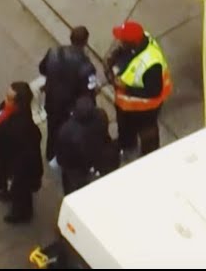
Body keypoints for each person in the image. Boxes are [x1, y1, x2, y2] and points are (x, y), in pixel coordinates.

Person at [0, 81, 43, 224]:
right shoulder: (8, 109)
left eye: (9, 98)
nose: (4, 100)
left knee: (21, 192)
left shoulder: (23, 127)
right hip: (6, 160)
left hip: (19, 168)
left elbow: (28, 153)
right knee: (9, 182)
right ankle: (8, 193)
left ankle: (22, 214)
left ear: (18, 103)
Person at [106, 20, 171, 160]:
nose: (119, 42)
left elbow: (153, 92)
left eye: (123, 40)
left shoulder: (151, 64)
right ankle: (127, 144)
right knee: (125, 127)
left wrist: (126, 87)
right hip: (126, 107)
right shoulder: (140, 39)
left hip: (145, 109)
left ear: (133, 43)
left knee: (148, 133)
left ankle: (149, 156)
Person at [38, 26, 99, 166]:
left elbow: (42, 69)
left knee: (52, 128)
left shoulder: (53, 52)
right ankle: (64, 158)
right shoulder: (87, 66)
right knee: (68, 134)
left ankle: (50, 154)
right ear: (85, 42)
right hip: (70, 107)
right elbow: (89, 92)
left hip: (52, 101)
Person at [54, 95, 119, 195]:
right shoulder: (101, 115)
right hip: (97, 155)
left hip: (77, 165)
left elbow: (63, 155)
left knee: (76, 187)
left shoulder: (67, 130)